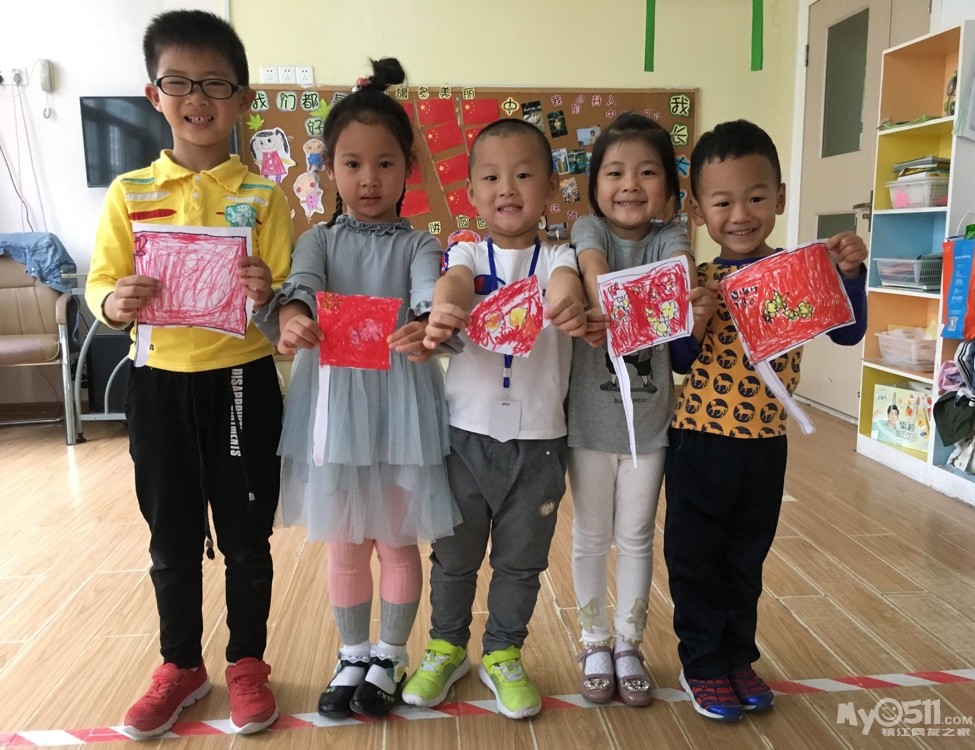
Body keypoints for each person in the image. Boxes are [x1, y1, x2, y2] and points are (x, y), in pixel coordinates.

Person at [85, 10, 292, 739]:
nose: (197, 97)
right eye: (179, 82)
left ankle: (247, 663)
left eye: (215, 83)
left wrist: (268, 291)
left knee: (246, 535)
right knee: (169, 535)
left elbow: (285, 295)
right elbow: (102, 283)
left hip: (242, 381)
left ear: (242, 100)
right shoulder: (129, 192)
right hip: (158, 383)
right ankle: (179, 665)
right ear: (154, 95)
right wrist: (114, 301)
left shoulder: (265, 197)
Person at [258, 58, 458, 720]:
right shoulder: (317, 240)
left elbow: (431, 295)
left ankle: (391, 654)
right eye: (352, 164)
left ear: (408, 170)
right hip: (333, 411)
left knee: (398, 539)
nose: (368, 178)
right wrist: (293, 318)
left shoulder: (419, 245)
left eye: (384, 163)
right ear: (329, 170)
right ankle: (352, 653)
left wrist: (427, 323)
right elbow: (300, 291)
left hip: (401, 409)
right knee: (345, 541)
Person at [664, 119, 868, 721]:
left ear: (779, 198)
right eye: (722, 202)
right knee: (695, 557)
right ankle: (703, 663)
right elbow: (680, 361)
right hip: (699, 440)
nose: (740, 215)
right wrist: (695, 320)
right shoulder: (696, 279)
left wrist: (851, 278)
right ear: (698, 211)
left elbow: (848, 332)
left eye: (756, 197)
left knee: (746, 556)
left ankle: (738, 658)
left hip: (764, 443)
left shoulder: (797, 273)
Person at [401, 118, 588, 719]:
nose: (507, 188)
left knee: (521, 560)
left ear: (550, 187)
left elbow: (566, 285)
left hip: (539, 443)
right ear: (473, 193)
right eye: (491, 177)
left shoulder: (557, 256)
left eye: (524, 175)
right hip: (465, 437)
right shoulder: (465, 253)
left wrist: (568, 301)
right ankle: (447, 647)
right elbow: (454, 283)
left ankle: (504, 652)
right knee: (453, 556)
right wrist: (444, 309)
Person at [566, 113, 717, 707]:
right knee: (589, 535)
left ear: (671, 191)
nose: (629, 184)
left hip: (650, 425)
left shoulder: (671, 236)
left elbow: (678, 274)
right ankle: (593, 642)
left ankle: (628, 644)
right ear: (595, 185)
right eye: (614, 172)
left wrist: (685, 306)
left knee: (634, 538)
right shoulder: (587, 229)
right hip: (589, 423)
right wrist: (624, 299)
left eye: (647, 172)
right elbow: (594, 270)